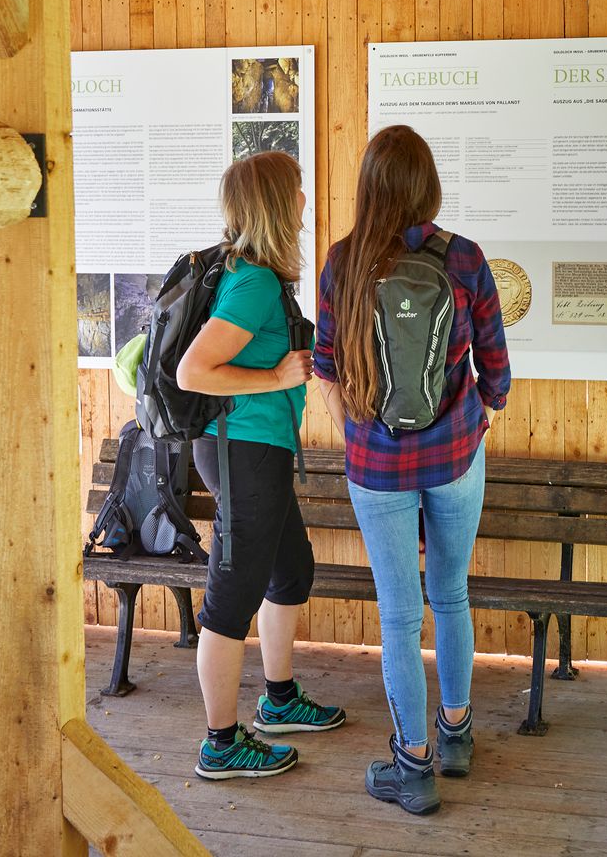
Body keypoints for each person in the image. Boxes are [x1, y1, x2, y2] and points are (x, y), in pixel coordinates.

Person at [314, 125, 511, 815]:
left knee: (399, 617)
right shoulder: (465, 259)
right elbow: (496, 367)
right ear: (428, 185)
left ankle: (413, 766)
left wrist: (356, 430)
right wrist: (480, 417)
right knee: (450, 594)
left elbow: (326, 365)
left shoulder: (343, 262)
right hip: (455, 454)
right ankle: (455, 735)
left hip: (377, 464)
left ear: (369, 186)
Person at [176, 150, 345, 781]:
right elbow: (193, 371)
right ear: (276, 203)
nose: (305, 200)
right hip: (242, 452)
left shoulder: (260, 275)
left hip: (258, 449)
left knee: (290, 570)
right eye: (296, 190)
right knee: (232, 597)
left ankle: (278, 700)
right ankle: (220, 743)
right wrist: (275, 377)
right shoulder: (254, 284)